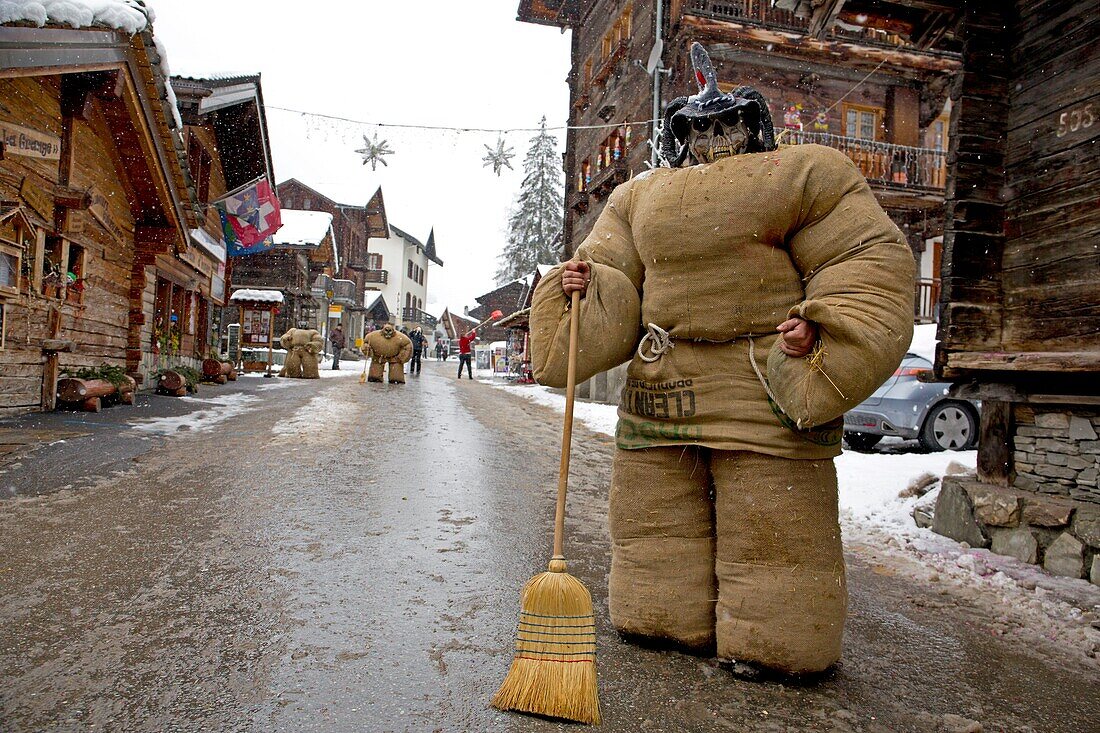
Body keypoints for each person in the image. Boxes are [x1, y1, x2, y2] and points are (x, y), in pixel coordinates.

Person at [529, 43, 914, 677]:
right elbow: (614, 276)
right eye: (699, 127)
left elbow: (860, 262)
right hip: (663, 390)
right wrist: (585, 286)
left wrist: (819, 334)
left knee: (774, 533)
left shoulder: (806, 174)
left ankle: (776, 643)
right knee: (656, 524)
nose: (713, 139)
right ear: (680, 133)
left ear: (752, 124)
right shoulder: (637, 198)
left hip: (765, 386)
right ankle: (662, 618)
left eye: (725, 124)